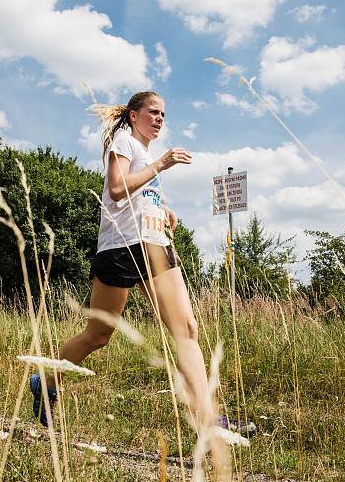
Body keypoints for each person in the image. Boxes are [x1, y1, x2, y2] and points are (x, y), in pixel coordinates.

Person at [30, 91, 220, 433]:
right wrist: (161, 163)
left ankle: (208, 420)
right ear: (134, 115)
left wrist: (163, 210)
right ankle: (46, 379)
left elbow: (138, 197)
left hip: (154, 245)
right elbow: (117, 189)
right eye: (154, 112)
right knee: (100, 334)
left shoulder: (143, 153)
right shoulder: (126, 142)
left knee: (186, 328)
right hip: (121, 249)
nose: (160, 118)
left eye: (164, 114)